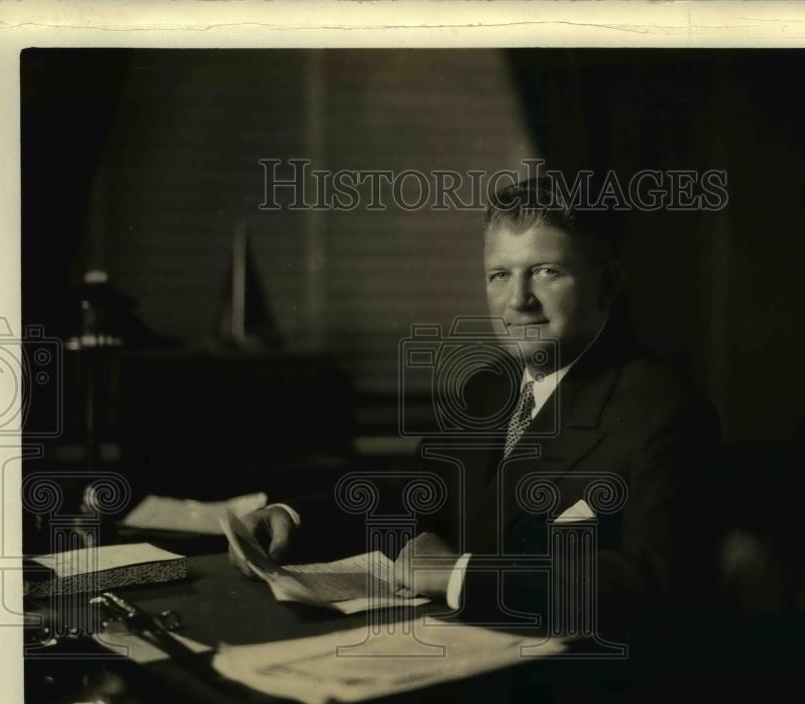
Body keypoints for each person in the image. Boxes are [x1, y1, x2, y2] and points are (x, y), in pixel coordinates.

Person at [232, 175, 722, 640]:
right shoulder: (488, 388)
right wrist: (294, 518)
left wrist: (460, 575)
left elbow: (659, 580)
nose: (518, 300)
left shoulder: (663, 410)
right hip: (458, 644)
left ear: (607, 285)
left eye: (547, 272)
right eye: (499, 275)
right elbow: (418, 493)